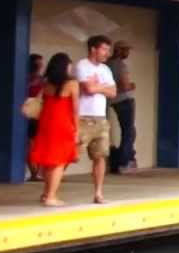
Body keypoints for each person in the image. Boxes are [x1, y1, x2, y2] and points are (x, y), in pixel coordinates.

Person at [28, 53, 79, 206]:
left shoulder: (46, 83)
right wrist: (76, 130)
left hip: (46, 123)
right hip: (63, 124)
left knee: (49, 160)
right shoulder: (72, 84)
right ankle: (51, 196)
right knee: (59, 162)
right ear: (65, 67)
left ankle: (46, 193)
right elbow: (75, 110)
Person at [75, 35, 117, 204]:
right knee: (71, 155)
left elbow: (113, 92)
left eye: (108, 49)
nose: (107, 53)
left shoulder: (106, 69)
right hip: (83, 117)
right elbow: (88, 89)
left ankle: (98, 193)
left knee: (100, 156)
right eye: (104, 49)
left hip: (100, 118)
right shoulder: (82, 65)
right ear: (93, 49)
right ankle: (50, 190)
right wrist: (102, 87)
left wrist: (97, 87)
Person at [107, 40, 137, 173]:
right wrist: (132, 85)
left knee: (129, 130)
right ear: (118, 50)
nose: (128, 53)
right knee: (128, 132)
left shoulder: (106, 64)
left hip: (111, 101)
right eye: (126, 50)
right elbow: (125, 86)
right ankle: (124, 162)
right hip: (124, 100)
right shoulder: (120, 65)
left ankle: (121, 158)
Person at [26, 53, 45, 181]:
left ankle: (36, 172)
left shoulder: (42, 80)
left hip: (38, 113)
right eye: (38, 63)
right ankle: (35, 172)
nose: (40, 66)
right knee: (31, 144)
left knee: (36, 143)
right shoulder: (28, 78)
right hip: (31, 112)